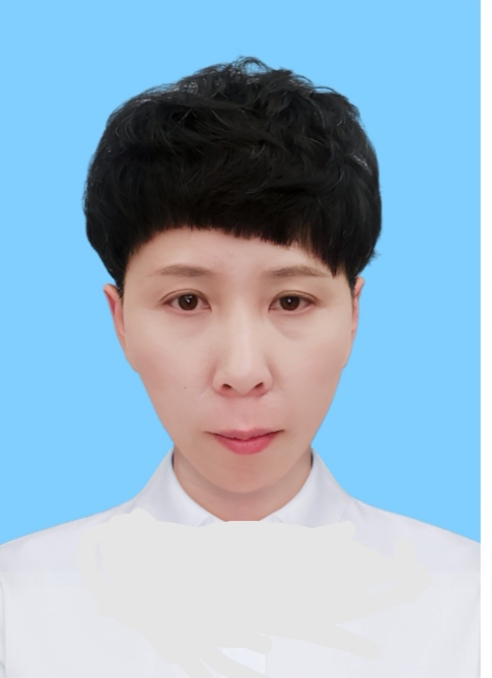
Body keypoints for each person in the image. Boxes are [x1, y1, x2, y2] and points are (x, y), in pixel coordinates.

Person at [0, 57, 479, 678]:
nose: (243, 371)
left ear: (353, 314)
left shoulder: (468, 609)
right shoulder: (19, 611)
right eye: (187, 301)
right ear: (120, 322)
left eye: (291, 301)